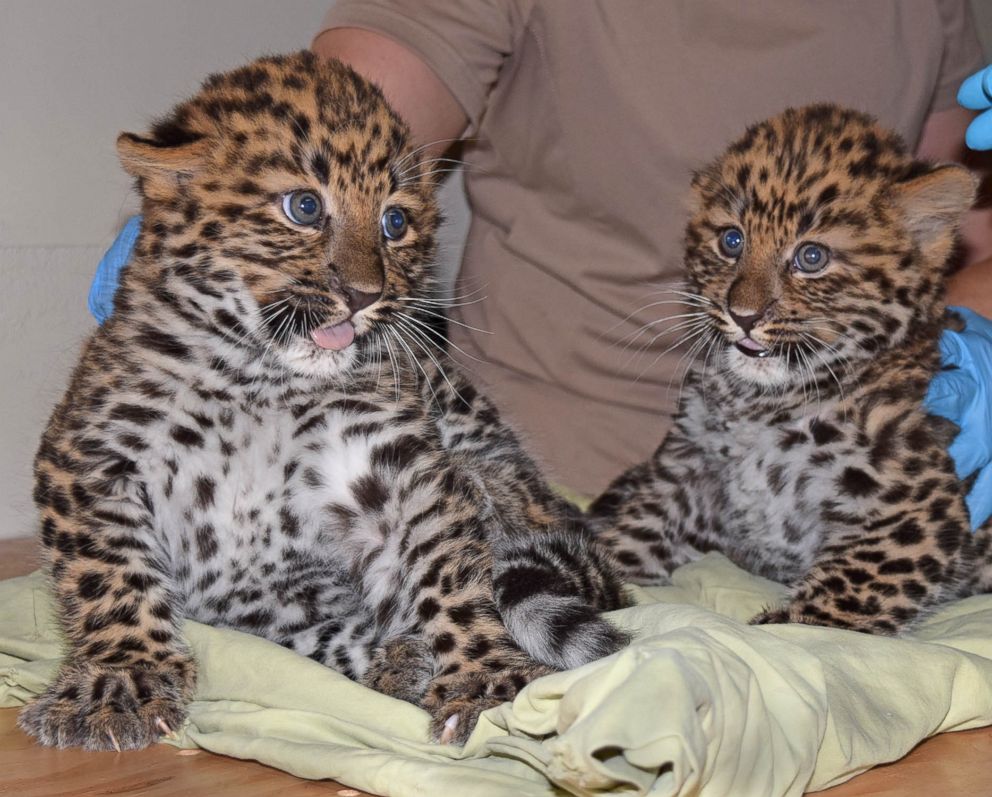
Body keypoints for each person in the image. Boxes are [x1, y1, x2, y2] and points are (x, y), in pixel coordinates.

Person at [92, 2, 992, 524]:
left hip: (827, 487)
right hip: (540, 487)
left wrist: (974, 335)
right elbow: (341, 135)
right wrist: (217, 223)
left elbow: (946, 226)